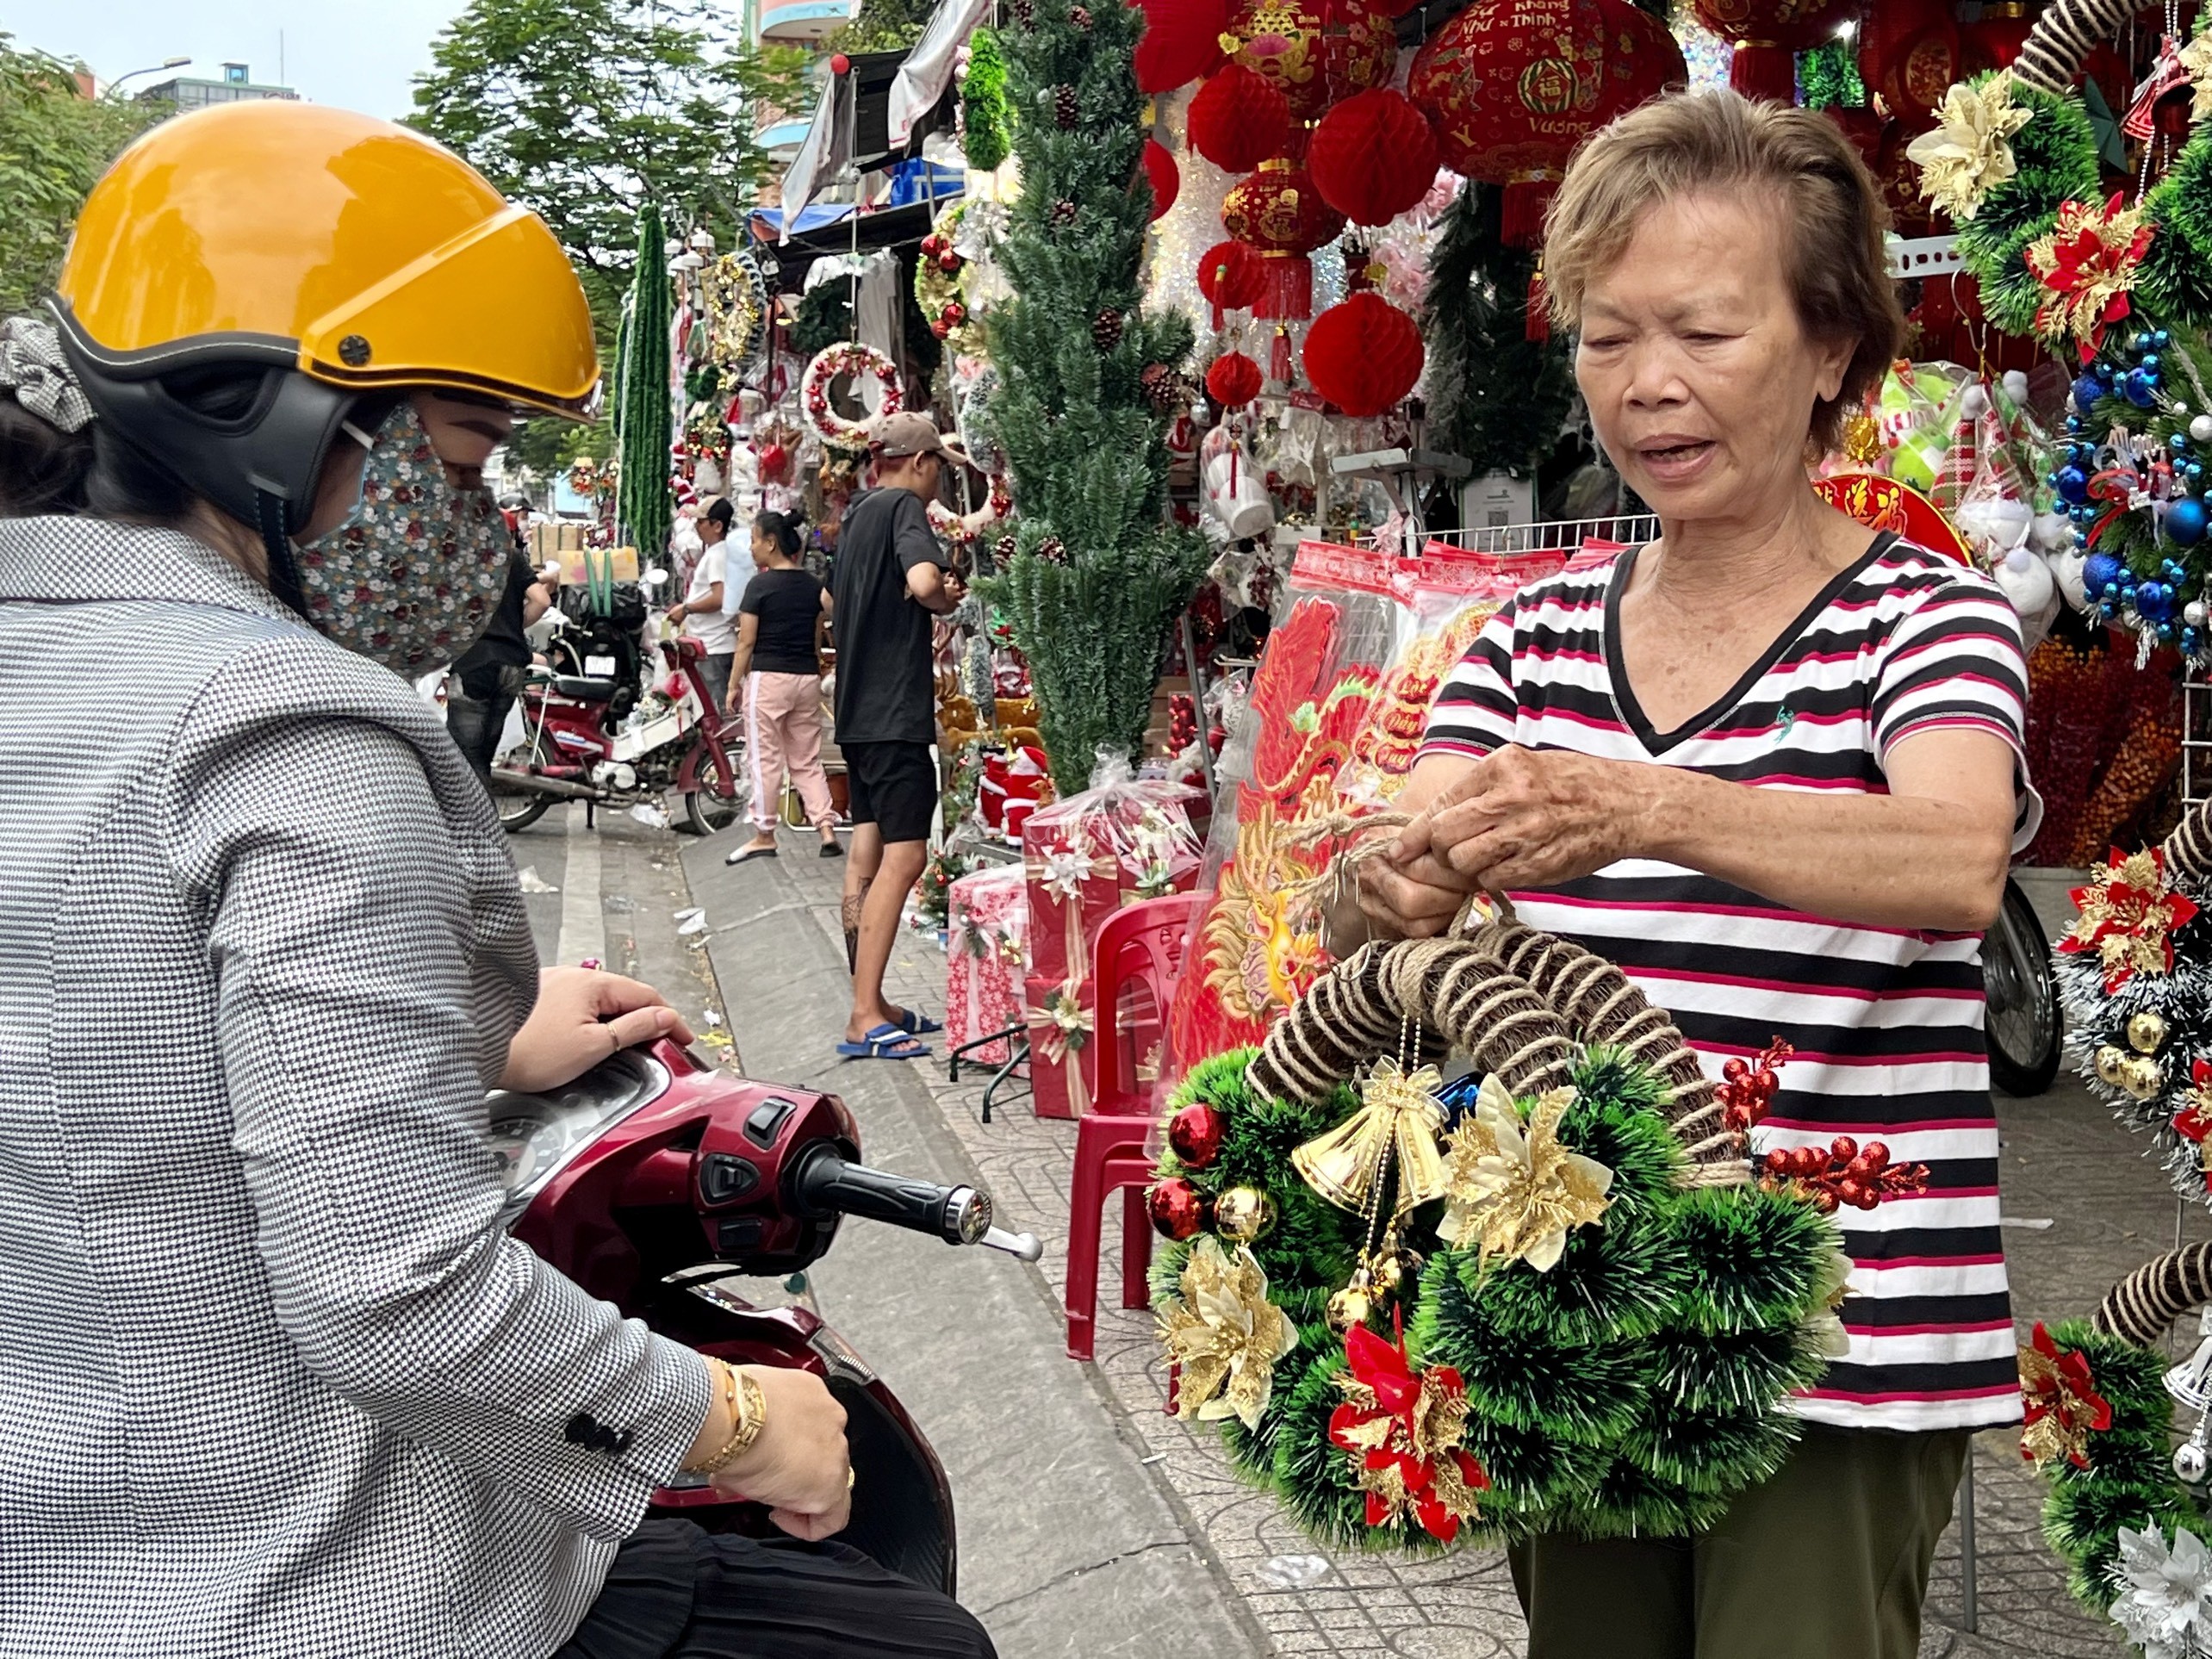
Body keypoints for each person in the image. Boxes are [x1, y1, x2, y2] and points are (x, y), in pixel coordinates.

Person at [0, 102, 994, 1659]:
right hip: (329, 1579)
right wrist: (736, 1419)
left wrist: (476, 1041)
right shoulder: (288, 730)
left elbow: (115, 1058)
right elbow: (389, 1286)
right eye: (461, 453)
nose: (474, 522)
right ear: (275, 420)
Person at [1353, 90, 2034, 1659]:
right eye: (1605, 337)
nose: (1647, 384)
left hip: (1838, 1335)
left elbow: (1952, 857)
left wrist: (1640, 803)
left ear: (1830, 354)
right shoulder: (1518, 635)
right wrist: (1381, 897)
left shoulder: (1923, 620)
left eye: (1706, 333)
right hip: (1569, 1303)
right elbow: (1395, 879)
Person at [828, 413, 964, 1060]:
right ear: (918, 461)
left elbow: (833, 606)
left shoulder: (856, 517)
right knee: (906, 857)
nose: (939, 478)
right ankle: (862, 1015)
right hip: (893, 712)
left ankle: (872, 1000)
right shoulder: (907, 509)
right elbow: (923, 582)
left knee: (867, 851)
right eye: (939, 465)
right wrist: (945, 595)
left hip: (855, 713)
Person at [726, 507, 841, 864]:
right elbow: (824, 624)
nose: (751, 548)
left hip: (769, 679)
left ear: (771, 543)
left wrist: (733, 685)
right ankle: (825, 828)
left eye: (754, 540)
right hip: (807, 679)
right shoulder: (813, 586)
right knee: (806, 760)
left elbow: (746, 642)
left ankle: (764, 833)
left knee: (764, 759)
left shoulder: (759, 585)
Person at [446, 535, 553, 786]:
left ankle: (475, 820)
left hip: (474, 664)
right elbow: (542, 600)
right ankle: (483, 818)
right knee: (483, 756)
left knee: (464, 760)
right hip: (511, 666)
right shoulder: (510, 555)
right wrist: (514, 626)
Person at [667, 496, 738, 710]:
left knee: (714, 713)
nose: (697, 527)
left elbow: (720, 597)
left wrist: (687, 608)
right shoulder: (717, 552)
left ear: (717, 526)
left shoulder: (719, 554)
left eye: (701, 521)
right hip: (710, 645)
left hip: (714, 646)